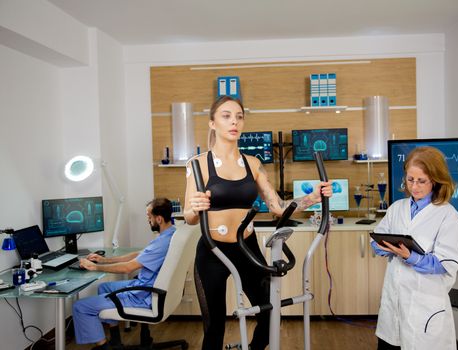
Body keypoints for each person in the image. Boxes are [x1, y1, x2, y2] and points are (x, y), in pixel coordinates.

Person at [184, 95, 332, 350]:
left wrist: (313, 197)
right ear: (212, 123)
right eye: (226, 116)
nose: (234, 122)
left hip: (246, 247)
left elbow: (278, 208)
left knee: (271, 311)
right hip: (212, 249)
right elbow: (188, 217)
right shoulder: (198, 165)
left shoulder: (252, 164)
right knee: (214, 326)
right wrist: (196, 208)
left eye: (239, 117)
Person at [371, 146, 458, 350]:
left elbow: (445, 264)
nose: (414, 187)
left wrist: (409, 256)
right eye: (410, 179)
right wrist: (384, 246)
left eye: (421, 181)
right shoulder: (397, 208)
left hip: (425, 312)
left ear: (436, 180)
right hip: (393, 308)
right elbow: (376, 240)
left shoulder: (449, 217)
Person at [72, 198, 175, 350]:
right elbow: (138, 254)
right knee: (104, 287)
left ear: (158, 219)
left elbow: (128, 268)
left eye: (149, 217)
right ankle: (116, 341)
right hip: (147, 287)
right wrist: (104, 260)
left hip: (142, 295)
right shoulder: (171, 234)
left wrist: (95, 267)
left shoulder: (161, 243)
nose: (148, 220)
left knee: (80, 307)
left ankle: (103, 347)